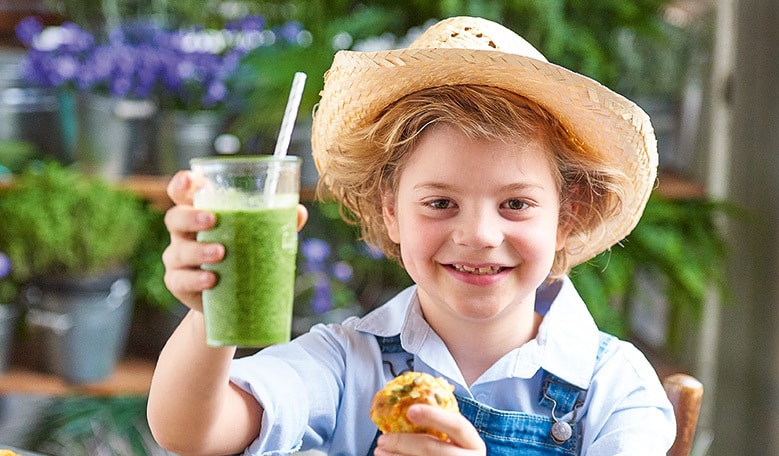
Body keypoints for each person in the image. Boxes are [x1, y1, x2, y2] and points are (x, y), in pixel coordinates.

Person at [147, 16, 675, 456]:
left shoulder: (615, 389)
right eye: (440, 203)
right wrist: (212, 305)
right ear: (390, 211)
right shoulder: (346, 363)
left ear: (566, 215)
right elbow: (191, 432)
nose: (478, 235)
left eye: (515, 204)